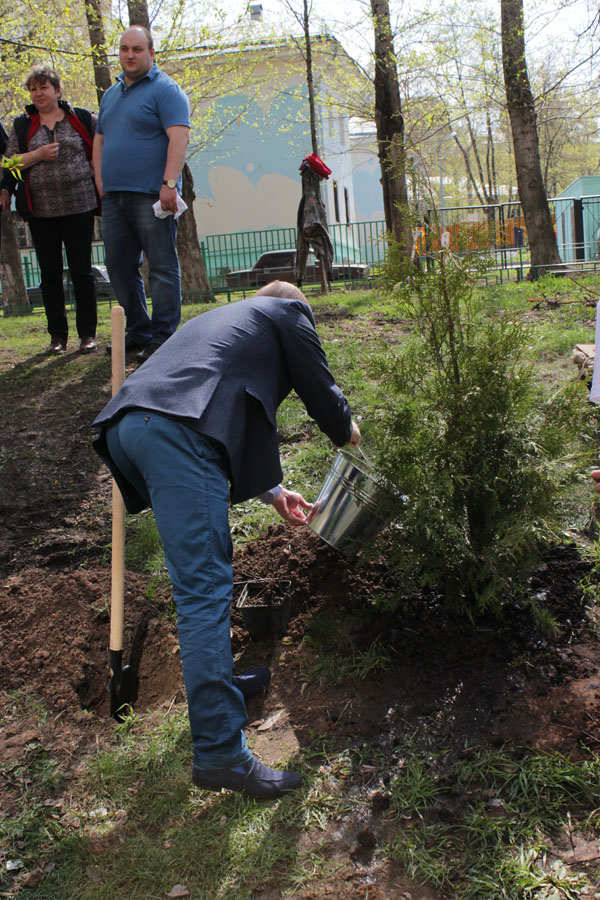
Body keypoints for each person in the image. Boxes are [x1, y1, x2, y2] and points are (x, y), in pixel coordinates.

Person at [92, 280, 361, 798]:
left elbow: (235, 408)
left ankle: (220, 687)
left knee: (201, 583)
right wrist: (349, 429)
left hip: (135, 429)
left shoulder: (224, 328)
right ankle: (219, 752)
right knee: (205, 592)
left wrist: (273, 492)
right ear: (289, 305)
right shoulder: (285, 312)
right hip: (176, 432)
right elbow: (323, 394)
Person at [93, 25, 190, 362]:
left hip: (152, 195)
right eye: (124, 49)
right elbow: (100, 141)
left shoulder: (166, 90)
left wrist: (169, 183)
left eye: (137, 49)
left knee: (162, 267)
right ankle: (139, 331)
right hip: (114, 197)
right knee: (118, 267)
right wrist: (100, 181)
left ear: (151, 53)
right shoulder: (110, 94)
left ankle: (164, 338)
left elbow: (179, 138)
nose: (129, 55)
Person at [0, 65, 98, 354]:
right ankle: (57, 337)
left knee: (82, 272)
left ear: (58, 90)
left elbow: (101, 149)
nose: (38, 93)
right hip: (41, 211)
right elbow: (9, 164)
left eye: (44, 87)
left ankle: (87, 335)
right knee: (50, 275)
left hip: (79, 206)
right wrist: (37, 155)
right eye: (33, 89)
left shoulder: (81, 118)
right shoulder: (23, 125)